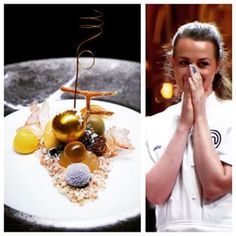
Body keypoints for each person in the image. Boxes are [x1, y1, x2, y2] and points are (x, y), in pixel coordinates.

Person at [146, 21, 232, 232]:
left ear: (217, 65)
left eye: (203, 64)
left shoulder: (232, 114)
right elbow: (155, 194)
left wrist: (200, 117)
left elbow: (215, 186)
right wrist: (183, 126)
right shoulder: (152, 124)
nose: (192, 72)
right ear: (172, 63)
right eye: (184, 62)